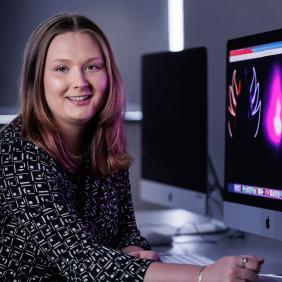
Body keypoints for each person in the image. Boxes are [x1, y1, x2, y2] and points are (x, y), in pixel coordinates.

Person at [0, 13, 264, 281]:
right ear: (38, 79)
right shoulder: (18, 154)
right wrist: (203, 275)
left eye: (92, 66)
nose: (80, 81)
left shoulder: (102, 143)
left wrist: (132, 249)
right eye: (61, 69)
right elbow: (80, 260)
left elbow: (126, 230)